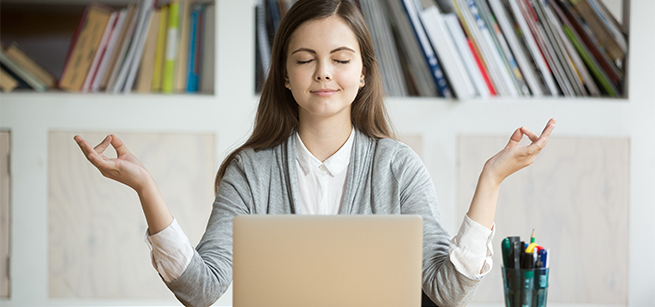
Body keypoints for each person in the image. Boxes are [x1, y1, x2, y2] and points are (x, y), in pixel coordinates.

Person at [74, 0, 556, 306]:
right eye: (305, 60)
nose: (323, 73)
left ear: (363, 73)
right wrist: (146, 188)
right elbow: (202, 290)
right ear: (285, 75)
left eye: (341, 60)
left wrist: (490, 180)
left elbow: (446, 291)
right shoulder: (251, 171)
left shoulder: (398, 167)